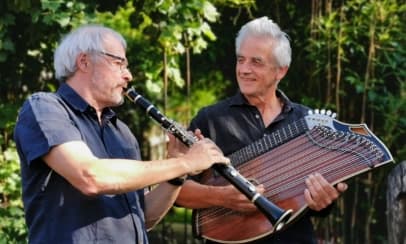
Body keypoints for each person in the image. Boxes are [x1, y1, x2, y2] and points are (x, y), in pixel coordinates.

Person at [13, 24, 230, 244]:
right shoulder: (45, 107)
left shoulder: (122, 133)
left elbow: (143, 219)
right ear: (84, 61)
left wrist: (177, 171)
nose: (129, 75)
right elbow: (90, 176)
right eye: (119, 63)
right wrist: (188, 164)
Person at [175, 16, 348, 244]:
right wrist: (222, 197)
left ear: (281, 71)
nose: (244, 70)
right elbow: (175, 191)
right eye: (240, 60)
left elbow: (319, 202)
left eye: (256, 62)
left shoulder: (308, 121)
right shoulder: (211, 119)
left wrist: (324, 201)